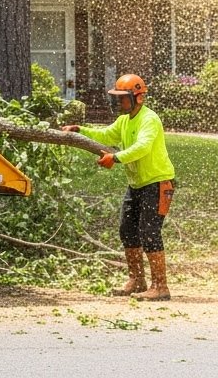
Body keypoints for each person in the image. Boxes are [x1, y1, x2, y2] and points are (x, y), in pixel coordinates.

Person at [62, 74, 177, 301]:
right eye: (118, 98)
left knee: (149, 232)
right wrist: (79, 130)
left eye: (123, 98)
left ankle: (160, 286)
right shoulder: (125, 120)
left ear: (138, 98)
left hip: (158, 182)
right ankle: (137, 280)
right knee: (127, 230)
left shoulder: (149, 119)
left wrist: (115, 158)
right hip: (137, 184)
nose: (119, 103)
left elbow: (142, 147)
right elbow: (105, 134)